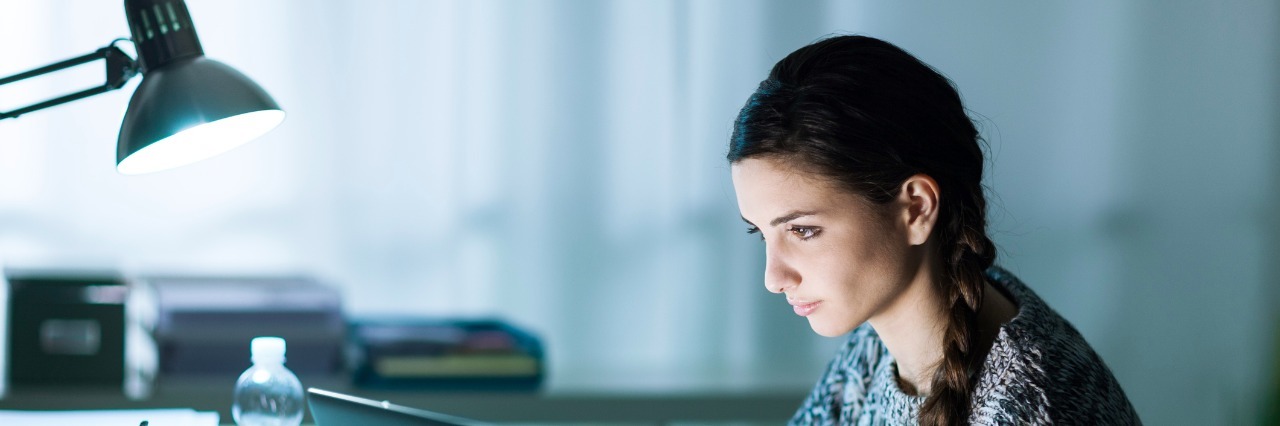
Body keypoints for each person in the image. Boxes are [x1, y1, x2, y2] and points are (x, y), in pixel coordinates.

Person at [728, 35, 1140, 425]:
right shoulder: (883, 330)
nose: (774, 279)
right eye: (760, 233)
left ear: (916, 208)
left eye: (802, 231)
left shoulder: (1027, 408)